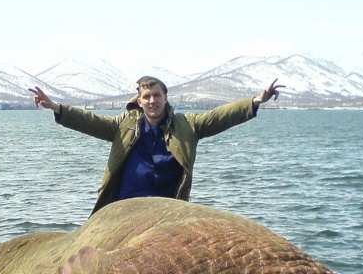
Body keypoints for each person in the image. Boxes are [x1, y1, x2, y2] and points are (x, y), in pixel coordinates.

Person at [29, 76, 283, 215]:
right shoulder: (123, 126)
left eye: (157, 95)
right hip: (124, 208)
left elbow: (219, 116)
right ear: (139, 101)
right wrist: (57, 108)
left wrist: (256, 101)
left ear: (165, 98)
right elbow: (89, 120)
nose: (152, 101)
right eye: (147, 97)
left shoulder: (188, 125)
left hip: (168, 209)